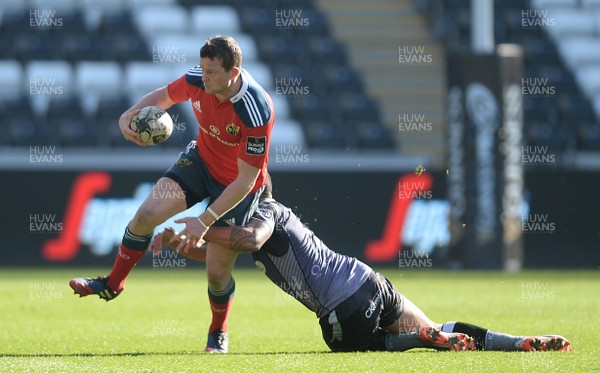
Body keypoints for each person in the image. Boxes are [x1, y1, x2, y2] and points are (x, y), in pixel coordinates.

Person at [152, 179, 573, 353]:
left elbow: (251, 240)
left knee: (348, 346)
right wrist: (179, 240)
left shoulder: (264, 210)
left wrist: (201, 229)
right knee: (444, 330)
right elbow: (218, 253)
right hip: (369, 281)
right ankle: (517, 342)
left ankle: (420, 341)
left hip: (342, 306)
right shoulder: (250, 215)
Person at [69, 35, 275, 353]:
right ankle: (112, 284)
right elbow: (163, 96)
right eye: (202, 70)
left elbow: (246, 181)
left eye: (211, 73)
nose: (202, 77)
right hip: (200, 163)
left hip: (237, 187)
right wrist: (129, 116)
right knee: (145, 216)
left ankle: (218, 330)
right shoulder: (197, 78)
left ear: (233, 73)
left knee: (217, 272)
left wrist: (204, 221)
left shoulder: (255, 111)